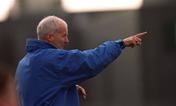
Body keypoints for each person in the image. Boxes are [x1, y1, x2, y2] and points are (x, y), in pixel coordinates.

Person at [15, 15, 147, 106]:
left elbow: (41, 90)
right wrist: (121, 43)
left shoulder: (24, 63)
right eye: (64, 35)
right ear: (50, 37)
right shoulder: (52, 59)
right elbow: (90, 61)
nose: (67, 40)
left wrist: (68, 87)